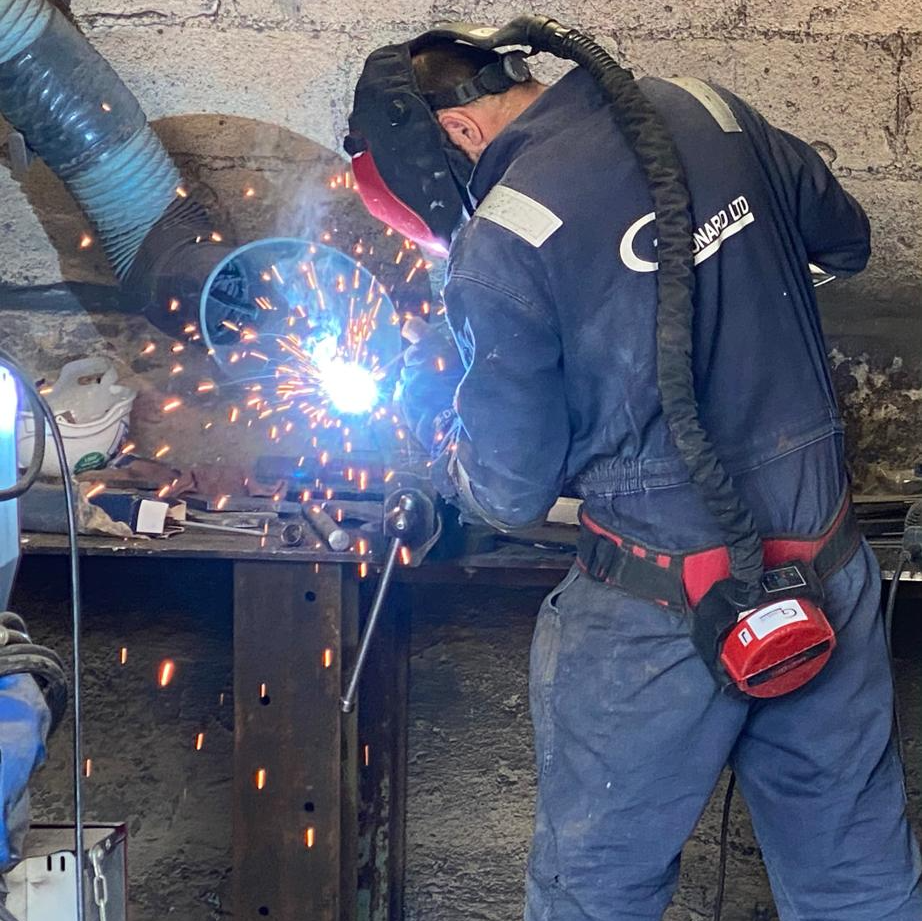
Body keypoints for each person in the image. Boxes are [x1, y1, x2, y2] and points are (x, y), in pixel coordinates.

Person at [348, 33, 922, 920]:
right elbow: (841, 240)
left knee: (596, 894)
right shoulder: (704, 105)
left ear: (460, 132)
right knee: (858, 886)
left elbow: (510, 490)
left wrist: (449, 433)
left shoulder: (502, 239)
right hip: (826, 577)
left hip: (659, 612)